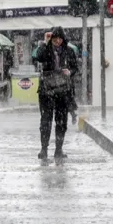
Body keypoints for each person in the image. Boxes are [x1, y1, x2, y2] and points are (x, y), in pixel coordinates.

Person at [35, 26, 78, 160]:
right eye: (54, 38)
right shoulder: (45, 49)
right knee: (46, 120)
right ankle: (44, 149)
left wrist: (69, 72)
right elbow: (39, 57)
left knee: (61, 121)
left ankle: (58, 149)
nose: (57, 41)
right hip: (46, 90)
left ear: (63, 38)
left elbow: (75, 68)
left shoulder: (69, 51)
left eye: (59, 38)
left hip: (63, 90)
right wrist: (45, 42)